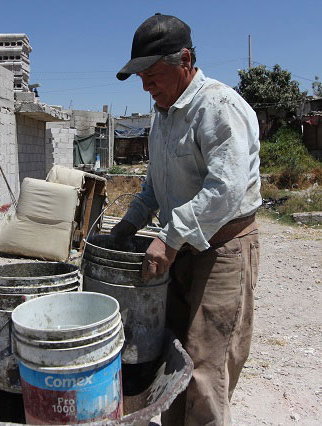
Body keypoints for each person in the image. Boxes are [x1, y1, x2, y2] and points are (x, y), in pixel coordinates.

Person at [112, 14, 261, 425]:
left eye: (153, 74)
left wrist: (171, 237)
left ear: (185, 60)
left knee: (204, 369)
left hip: (222, 250)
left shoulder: (217, 106)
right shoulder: (163, 115)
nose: (146, 86)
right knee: (171, 361)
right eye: (141, 77)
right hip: (181, 251)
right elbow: (154, 186)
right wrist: (128, 224)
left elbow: (226, 189)